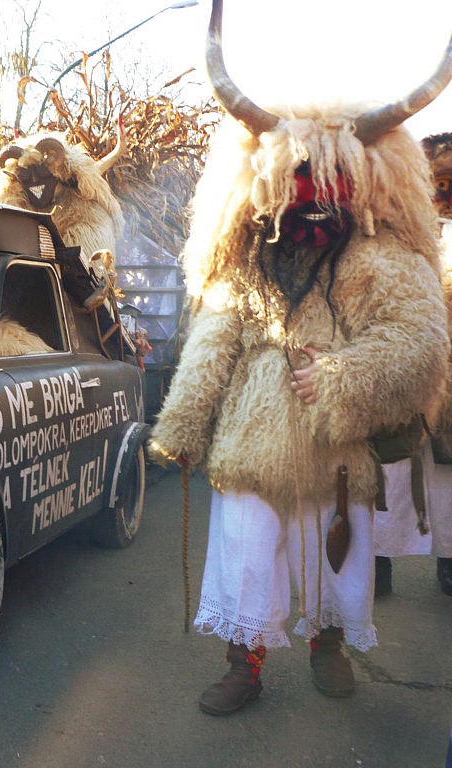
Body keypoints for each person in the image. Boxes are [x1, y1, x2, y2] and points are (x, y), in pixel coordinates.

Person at [149, 3, 450, 716]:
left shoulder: (383, 258)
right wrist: (184, 424)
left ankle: (328, 646)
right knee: (247, 553)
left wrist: (343, 378)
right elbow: (214, 340)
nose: (315, 199)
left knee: (332, 559)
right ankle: (244, 663)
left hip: (334, 449)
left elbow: (420, 342)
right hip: (248, 442)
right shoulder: (245, 256)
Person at [374, 131, 452, 597]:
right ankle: (376, 560)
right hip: (400, 368)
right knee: (388, 466)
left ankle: (449, 563)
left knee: (447, 477)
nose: (441, 193)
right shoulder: (391, 233)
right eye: (435, 182)